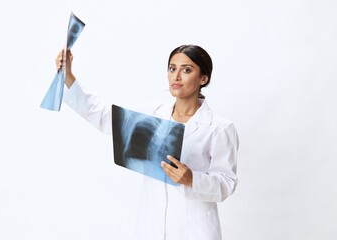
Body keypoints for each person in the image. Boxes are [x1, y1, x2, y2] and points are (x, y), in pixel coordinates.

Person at [56, 45, 239, 240]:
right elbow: (105, 116)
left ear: (203, 78)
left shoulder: (220, 128)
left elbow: (226, 183)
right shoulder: (153, 114)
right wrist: (68, 76)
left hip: (194, 230)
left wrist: (191, 179)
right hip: (152, 227)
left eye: (186, 70)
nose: (176, 76)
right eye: (172, 68)